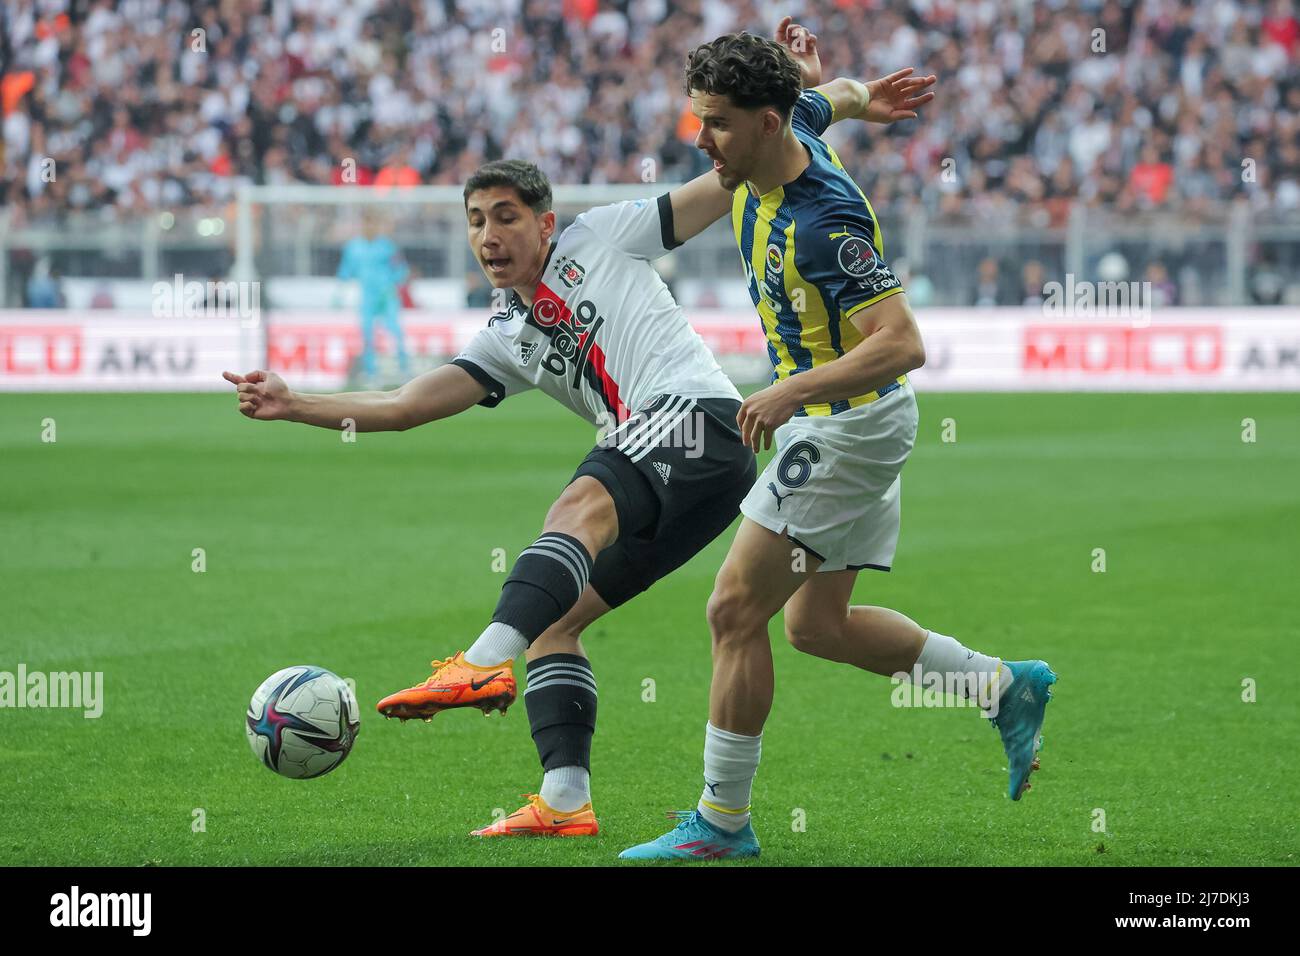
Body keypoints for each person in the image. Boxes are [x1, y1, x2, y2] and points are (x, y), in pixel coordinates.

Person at [621, 20, 1056, 861]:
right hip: (850, 421)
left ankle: (720, 824)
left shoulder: (825, 220)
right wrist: (853, 92)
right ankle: (1003, 689)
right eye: (698, 118)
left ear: (765, 124)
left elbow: (902, 343)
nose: (701, 140)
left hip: (847, 424)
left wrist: (791, 389)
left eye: (715, 122)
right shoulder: (793, 124)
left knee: (733, 609)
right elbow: (837, 97)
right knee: (817, 627)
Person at [224, 159, 755, 837]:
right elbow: (404, 405)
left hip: (698, 416)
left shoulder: (603, 237)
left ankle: (477, 665)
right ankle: (565, 801)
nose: (488, 237)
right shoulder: (509, 333)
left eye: (505, 217)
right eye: (476, 222)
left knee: (574, 512)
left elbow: (728, 180)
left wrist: (809, 104)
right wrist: (296, 404)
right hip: (699, 470)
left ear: (545, 223)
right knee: (553, 625)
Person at [334, 212, 410, 385]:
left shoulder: (387, 246)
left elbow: (401, 270)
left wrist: (393, 285)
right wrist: (338, 294)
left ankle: (404, 370)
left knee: (396, 332)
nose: (370, 227)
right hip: (367, 297)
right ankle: (371, 373)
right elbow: (345, 271)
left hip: (387, 295)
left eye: (373, 224)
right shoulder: (353, 247)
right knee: (367, 335)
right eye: (367, 223)